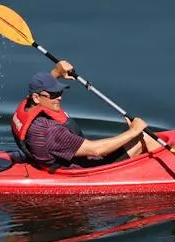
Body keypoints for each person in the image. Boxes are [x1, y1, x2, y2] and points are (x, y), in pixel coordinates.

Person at [11, 63, 163, 169]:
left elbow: (43, 90)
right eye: (54, 95)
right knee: (145, 138)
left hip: (52, 161)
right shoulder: (49, 131)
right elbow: (96, 150)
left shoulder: (27, 105)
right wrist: (133, 131)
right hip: (85, 169)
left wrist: (56, 73)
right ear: (37, 98)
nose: (59, 98)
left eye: (60, 92)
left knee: (138, 137)